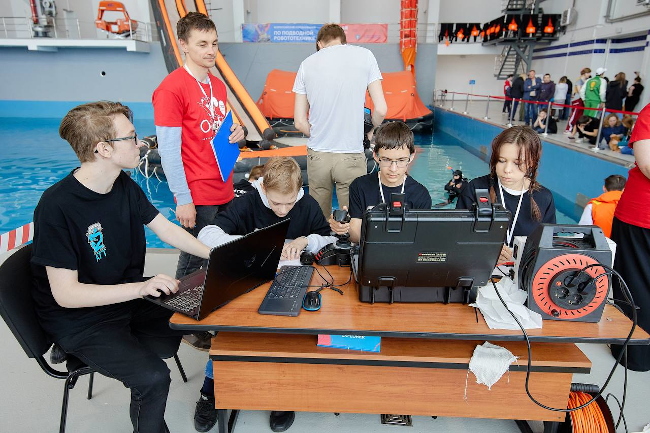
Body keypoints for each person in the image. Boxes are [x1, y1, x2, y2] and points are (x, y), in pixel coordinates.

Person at [30, 101, 212, 433]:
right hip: (80, 320)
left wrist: (215, 255)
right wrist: (140, 288)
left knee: (207, 303)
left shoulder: (123, 184)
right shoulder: (56, 207)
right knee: (154, 378)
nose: (140, 143)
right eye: (131, 137)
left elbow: (166, 229)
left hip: (125, 299)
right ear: (103, 149)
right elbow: (67, 295)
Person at [192, 156, 336, 432]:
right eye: (275, 203)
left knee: (287, 334)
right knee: (227, 335)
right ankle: (209, 391)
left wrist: (307, 240)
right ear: (264, 189)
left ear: (299, 190)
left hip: (290, 277)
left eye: (289, 203)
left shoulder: (306, 204)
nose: (283, 210)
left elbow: (329, 237)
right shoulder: (247, 202)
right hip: (246, 278)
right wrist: (256, 243)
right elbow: (206, 234)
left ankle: (281, 393)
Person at [152, 12, 245, 281]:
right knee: (193, 261)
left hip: (224, 186)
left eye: (214, 43)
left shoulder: (217, 86)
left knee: (219, 256)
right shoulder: (171, 89)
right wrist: (183, 199)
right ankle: (180, 306)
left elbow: (217, 130)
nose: (211, 51)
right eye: (202, 44)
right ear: (183, 44)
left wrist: (237, 132)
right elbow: (168, 150)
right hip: (197, 192)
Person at [293, 23, 388, 218]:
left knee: (318, 220)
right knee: (353, 221)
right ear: (344, 41)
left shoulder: (306, 64)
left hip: (318, 155)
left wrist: (319, 134)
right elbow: (381, 109)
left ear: (319, 44)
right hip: (351, 154)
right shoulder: (365, 56)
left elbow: (299, 122)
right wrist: (369, 132)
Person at [456, 126, 556, 263]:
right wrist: (484, 251)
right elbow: (457, 237)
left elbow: (548, 247)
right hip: (481, 268)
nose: (507, 170)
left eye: (517, 163)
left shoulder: (544, 197)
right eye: (501, 161)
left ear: (532, 163)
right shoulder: (476, 188)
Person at [329, 121, 432, 244]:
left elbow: (420, 239)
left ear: (411, 156)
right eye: (386, 159)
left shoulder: (420, 194)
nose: (393, 168)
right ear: (376, 156)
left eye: (401, 160)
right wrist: (344, 228)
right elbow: (356, 237)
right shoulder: (360, 186)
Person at [609, 102, 650, 372]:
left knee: (635, 286)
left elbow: (646, 164)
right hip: (640, 216)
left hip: (640, 215)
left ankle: (635, 355)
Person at [564, 68, 591, 133]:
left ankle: (575, 129)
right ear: (584, 73)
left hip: (582, 100)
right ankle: (568, 129)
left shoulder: (586, 81)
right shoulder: (579, 81)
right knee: (574, 115)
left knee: (579, 116)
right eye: (588, 73)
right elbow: (580, 91)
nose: (589, 74)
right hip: (577, 99)